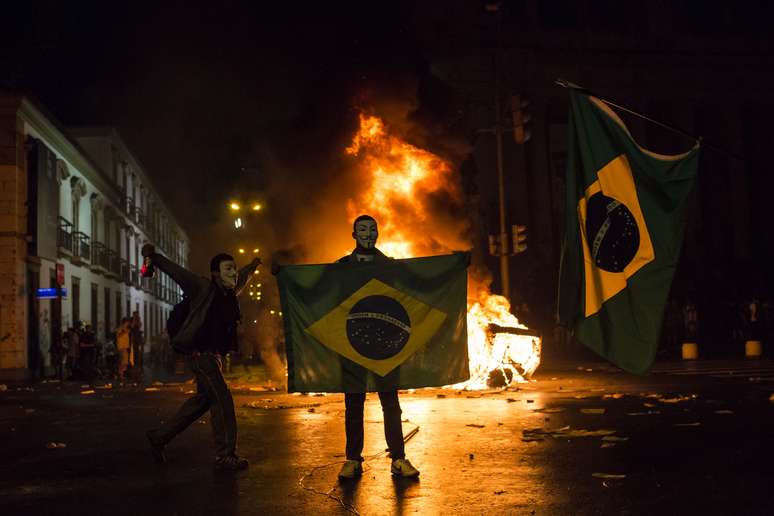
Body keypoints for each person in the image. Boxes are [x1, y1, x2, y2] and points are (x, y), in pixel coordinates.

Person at [142, 243, 260, 472]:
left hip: (212, 358)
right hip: (200, 356)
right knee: (223, 400)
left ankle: (159, 437)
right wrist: (154, 257)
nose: (233, 273)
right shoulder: (203, 287)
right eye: (228, 269)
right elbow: (177, 271)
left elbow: (242, 278)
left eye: (233, 268)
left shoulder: (229, 293)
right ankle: (225, 455)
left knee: (201, 403)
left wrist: (253, 266)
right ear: (216, 273)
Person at [336, 215, 419, 479]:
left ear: (378, 234)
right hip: (353, 342)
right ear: (353, 234)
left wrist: (455, 264)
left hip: (385, 344)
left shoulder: (389, 267)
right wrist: (286, 274)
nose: (368, 234)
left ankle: (399, 458)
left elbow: (418, 280)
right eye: (362, 229)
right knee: (354, 403)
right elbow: (316, 285)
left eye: (372, 229)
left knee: (390, 403)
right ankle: (352, 459)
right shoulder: (342, 267)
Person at [130, 311, 144, 377]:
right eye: (136, 315)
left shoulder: (138, 320)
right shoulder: (132, 320)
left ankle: (139, 368)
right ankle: (135, 368)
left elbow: (140, 325)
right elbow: (132, 327)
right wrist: (134, 320)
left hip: (138, 338)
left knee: (139, 353)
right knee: (135, 353)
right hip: (135, 339)